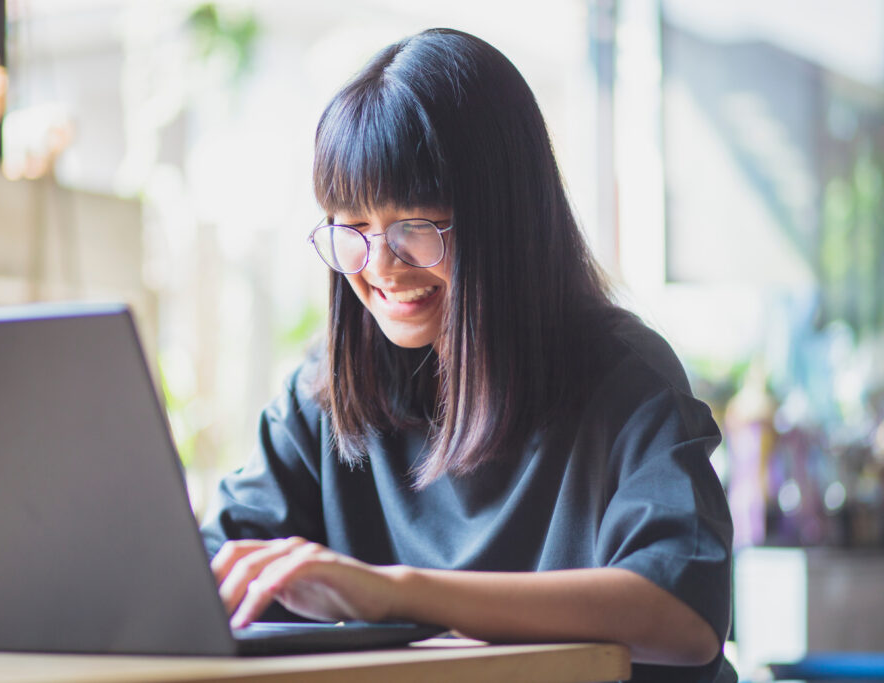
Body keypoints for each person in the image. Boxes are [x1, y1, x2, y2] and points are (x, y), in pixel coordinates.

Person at [200, 28, 736, 683]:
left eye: (416, 226)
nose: (382, 266)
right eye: (353, 228)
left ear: (505, 221)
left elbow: (684, 614)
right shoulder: (327, 393)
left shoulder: (624, 377)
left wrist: (394, 593)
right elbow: (204, 571)